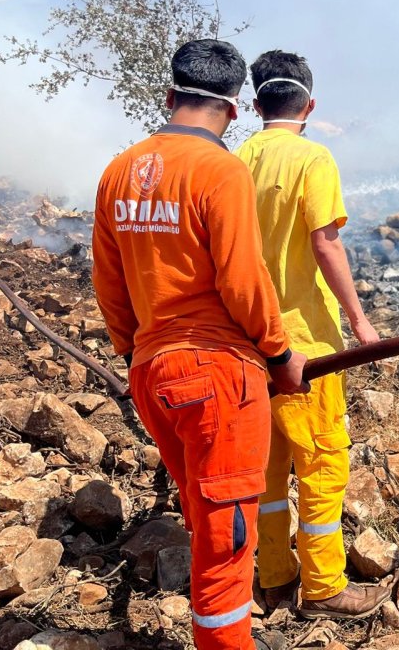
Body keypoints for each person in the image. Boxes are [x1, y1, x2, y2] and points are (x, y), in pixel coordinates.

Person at [92, 39, 308, 650]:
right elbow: (243, 280)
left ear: (169, 96)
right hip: (219, 378)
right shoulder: (222, 170)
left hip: (151, 372)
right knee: (226, 539)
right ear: (234, 111)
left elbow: (109, 284)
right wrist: (280, 354)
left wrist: (136, 351)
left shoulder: (118, 171)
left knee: (204, 516)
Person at [235, 50, 389, 619]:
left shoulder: (235, 157)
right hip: (307, 345)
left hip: (251, 343)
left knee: (269, 469)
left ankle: (274, 578)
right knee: (323, 464)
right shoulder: (313, 157)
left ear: (255, 105)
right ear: (310, 103)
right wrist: (360, 320)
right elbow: (326, 243)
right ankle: (325, 588)